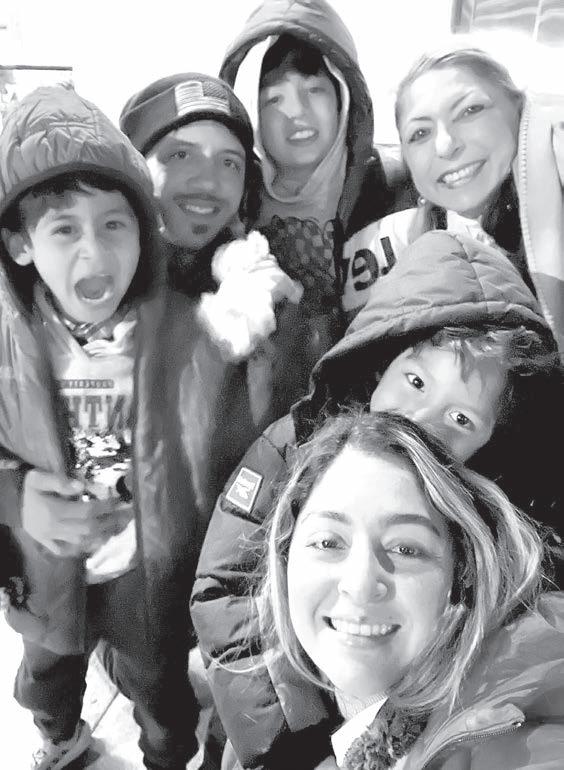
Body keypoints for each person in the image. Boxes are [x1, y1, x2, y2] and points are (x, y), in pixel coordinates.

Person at [191, 230, 563, 770]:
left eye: (462, 417)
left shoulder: (487, 504)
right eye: (415, 382)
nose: (423, 422)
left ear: (490, 440)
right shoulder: (298, 447)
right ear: (377, 368)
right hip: (279, 714)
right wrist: (292, 737)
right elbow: (226, 590)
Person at [0, 84, 216, 770]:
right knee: (48, 675)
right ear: (21, 244)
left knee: (158, 683)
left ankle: (167, 755)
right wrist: (15, 494)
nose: (94, 252)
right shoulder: (8, 343)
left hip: (143, 573)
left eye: (114, 224)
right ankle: (61, 736)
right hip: (45, 571)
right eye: (65, 229)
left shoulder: (174, 327)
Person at [255, 410, 563, 769]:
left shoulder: (516, 737)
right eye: (328, 542)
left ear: (462, 572)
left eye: (405, 549)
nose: (360, 585)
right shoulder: (271, 734)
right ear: (285, 559)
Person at [219, 0, 416, 392]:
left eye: (314, 89)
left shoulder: (396, 188)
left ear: (344, 97)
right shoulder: (232, 202)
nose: (297, 111)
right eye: (274, 99)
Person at [360, 47, 564, 355]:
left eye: (470, 111)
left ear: (519, 109)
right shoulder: (409, 241)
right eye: (420, 133)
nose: (445, 145)